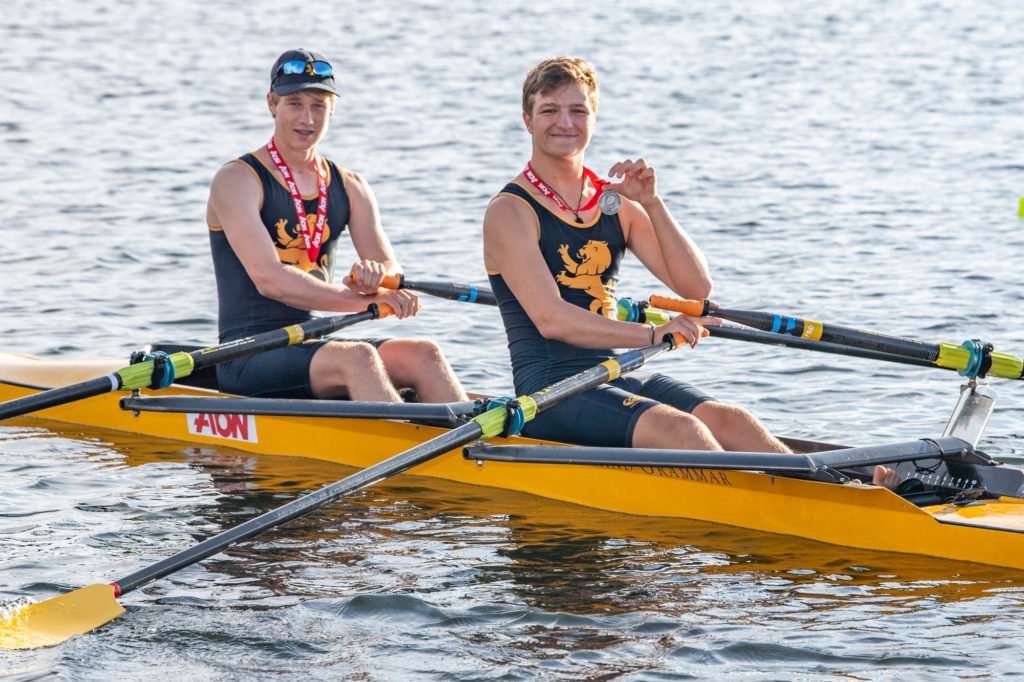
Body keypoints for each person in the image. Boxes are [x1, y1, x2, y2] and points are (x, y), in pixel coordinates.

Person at [482, 56, 899, 486]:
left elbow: (695, 287)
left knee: (731, 420)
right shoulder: (510, 212)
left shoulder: (615, 202)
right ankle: (771, 508)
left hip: (613, 373)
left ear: (593, 117)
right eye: (550, 110)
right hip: (550, 392)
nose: (564, 122)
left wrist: (652, 204)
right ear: (528, 121)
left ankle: (840, 490)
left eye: (578, 110)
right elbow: (551, 320)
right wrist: (650, 335)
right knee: (682, 430)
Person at [207, 48, 467, 403]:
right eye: (294, 103)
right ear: (272, 104)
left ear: (333, 109)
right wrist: (360, 302)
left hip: (313, 343)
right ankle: (405, 451)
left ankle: (475, 454)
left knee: (424, 354)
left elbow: (391, 268)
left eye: (318, 105)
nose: (307, 118)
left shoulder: (350, 185)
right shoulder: (238, 180)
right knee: (359, 357)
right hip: (247, 353)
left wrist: (374, 276)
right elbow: (268, 279)